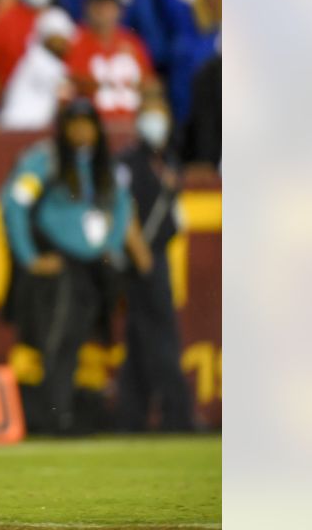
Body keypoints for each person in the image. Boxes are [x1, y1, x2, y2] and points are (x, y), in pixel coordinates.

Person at [0, 98, 131, 434]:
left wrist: (112, 248)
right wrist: (29, 256)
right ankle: (50, 416)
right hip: (60, 264)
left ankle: (63, 413)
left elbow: (122, 205)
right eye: (74, 123)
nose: (81, 130)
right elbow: (14, 203)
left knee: (76, 341)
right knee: (56, 340)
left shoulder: (103, 162)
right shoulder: (48, 159)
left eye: (87, 123)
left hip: (92, 266)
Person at [115, 89, 195, 432]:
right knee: (162, 336)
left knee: (139, 337)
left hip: (158, 254)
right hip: (141, 259)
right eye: (149, 111)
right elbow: (121, 208)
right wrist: (140, 254)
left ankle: (132, 415)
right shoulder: (128, 161)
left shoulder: (167, 161)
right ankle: (177, 415)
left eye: (160, 110)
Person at [65, 0, 157, 124]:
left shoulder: (132, 42)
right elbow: (72, 80)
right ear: (87, 8)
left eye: (108, 5)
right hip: (94, 127)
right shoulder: (76, 40)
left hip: (131, 123)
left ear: (119, 10)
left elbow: (148, 81)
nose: (102, 11)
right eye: (97, 4)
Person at [0, 7, 77, 130]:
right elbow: (65, 98)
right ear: (45, 37)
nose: (63, 43)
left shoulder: (38, 58)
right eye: (57, 38)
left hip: (27, 127)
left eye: (64, 38)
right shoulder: (41, 61)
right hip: (20, 127)